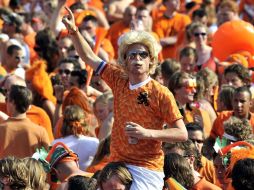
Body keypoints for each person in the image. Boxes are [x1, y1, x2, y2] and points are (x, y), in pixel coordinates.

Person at [62, 7, 187, 190]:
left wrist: (148, 133)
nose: (138, 58)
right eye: (132, 55)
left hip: (147, 167)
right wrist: (73, 31)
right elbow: (89, 57)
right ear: (125, 61)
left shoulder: (161, 92)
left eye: (143, 55)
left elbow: (182, 134)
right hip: (117, 165)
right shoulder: (118, 78)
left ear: (151, 60)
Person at [0, 85, 50, 158]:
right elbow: (47, 161)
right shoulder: (40, 131)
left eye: (6, 99)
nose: (6, 103)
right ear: (28, 106)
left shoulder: (1, 129)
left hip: (5, 169)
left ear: (13, 102)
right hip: (32, 169)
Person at [52, 105, 99, 171]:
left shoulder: (55, 144)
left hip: (64, 180)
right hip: (87, 179)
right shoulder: (94, 142)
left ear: (63, 123)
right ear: (84, 122)